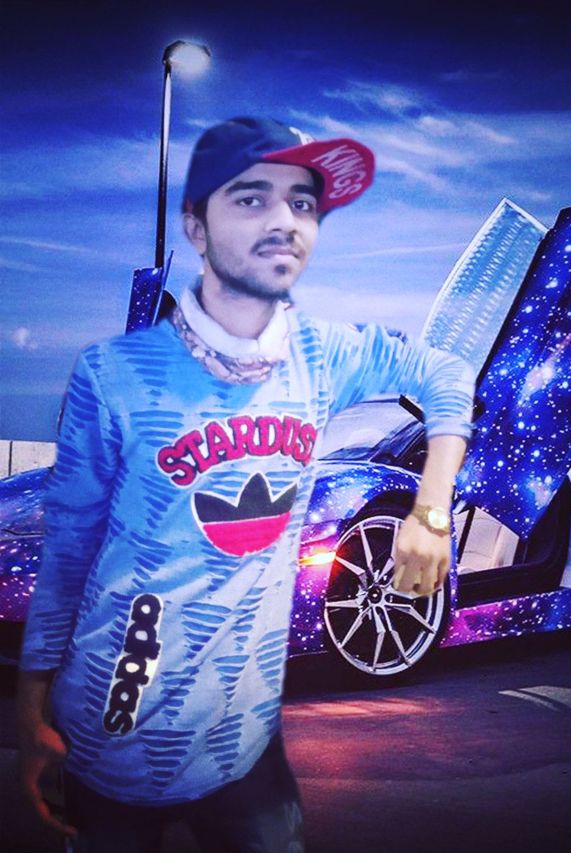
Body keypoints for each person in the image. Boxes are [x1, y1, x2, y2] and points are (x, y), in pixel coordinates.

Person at [17, 117, 475, 852]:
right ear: (195, 227)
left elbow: (446, 373)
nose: (284, 220)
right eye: (252, 198)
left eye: (303, 202)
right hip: (109, 734)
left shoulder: (326, 355)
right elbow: (68, 550)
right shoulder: (114, 374)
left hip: (244, 746)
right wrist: (30, 705)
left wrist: (430, 510)